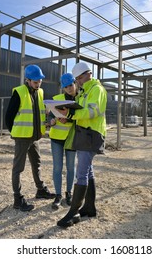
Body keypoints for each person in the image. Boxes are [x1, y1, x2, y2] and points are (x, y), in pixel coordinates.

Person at [56, 62, 107, 227]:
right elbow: (78, 111)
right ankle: (89, 207)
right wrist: (67, 115)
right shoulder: (85, 91)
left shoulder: (96, 90)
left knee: (81, 173)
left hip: (92, 134)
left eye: (79, 78)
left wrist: (71, 113)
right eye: (76, 79)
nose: (78, 82)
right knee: (88, 171)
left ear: (88, 74)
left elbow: (92, 112)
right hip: (84, 133)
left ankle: (73, 212)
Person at [5, 64, 55, 212]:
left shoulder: (40, 92)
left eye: (40, 81)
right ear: (27, 80)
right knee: (18, 168)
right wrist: (15, 133)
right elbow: (9, 117)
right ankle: (17, 199)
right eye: (35, 81)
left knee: (37, 163)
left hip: (35, 136)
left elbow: (39, 114)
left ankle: (40, 190)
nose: (38, 83)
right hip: (22, 137)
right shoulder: (19, 93)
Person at [47, 73, 78, 210]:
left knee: (71, 167)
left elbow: (83, 117)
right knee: (57, 168)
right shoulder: (57, 99)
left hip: (72, 138)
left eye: (70, 85)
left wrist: (69, 119)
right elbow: (49, 118)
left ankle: (69, 194)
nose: (69, 89)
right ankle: (58, 195)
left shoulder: (81, 99)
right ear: (63, 88)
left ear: (75, 83)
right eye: (66, 87)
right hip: (56, 138)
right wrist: (52, 122)